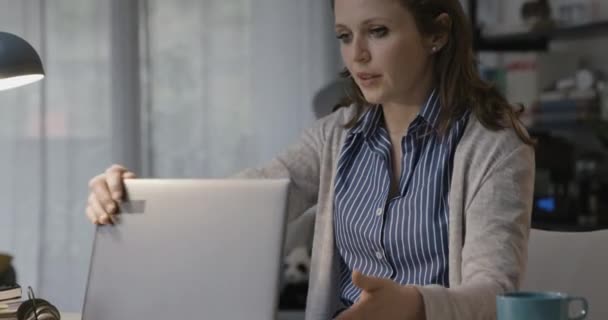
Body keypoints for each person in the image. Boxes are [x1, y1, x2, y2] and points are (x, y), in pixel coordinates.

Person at [85, 0, 535, 319]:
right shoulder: (334, 138)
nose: (357, 55)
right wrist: (134, 197)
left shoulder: (494, 145)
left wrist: (415, 306)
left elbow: (494, 295)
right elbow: (238, 201)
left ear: (437, 33)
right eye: (345, 35)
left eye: (377, 31)